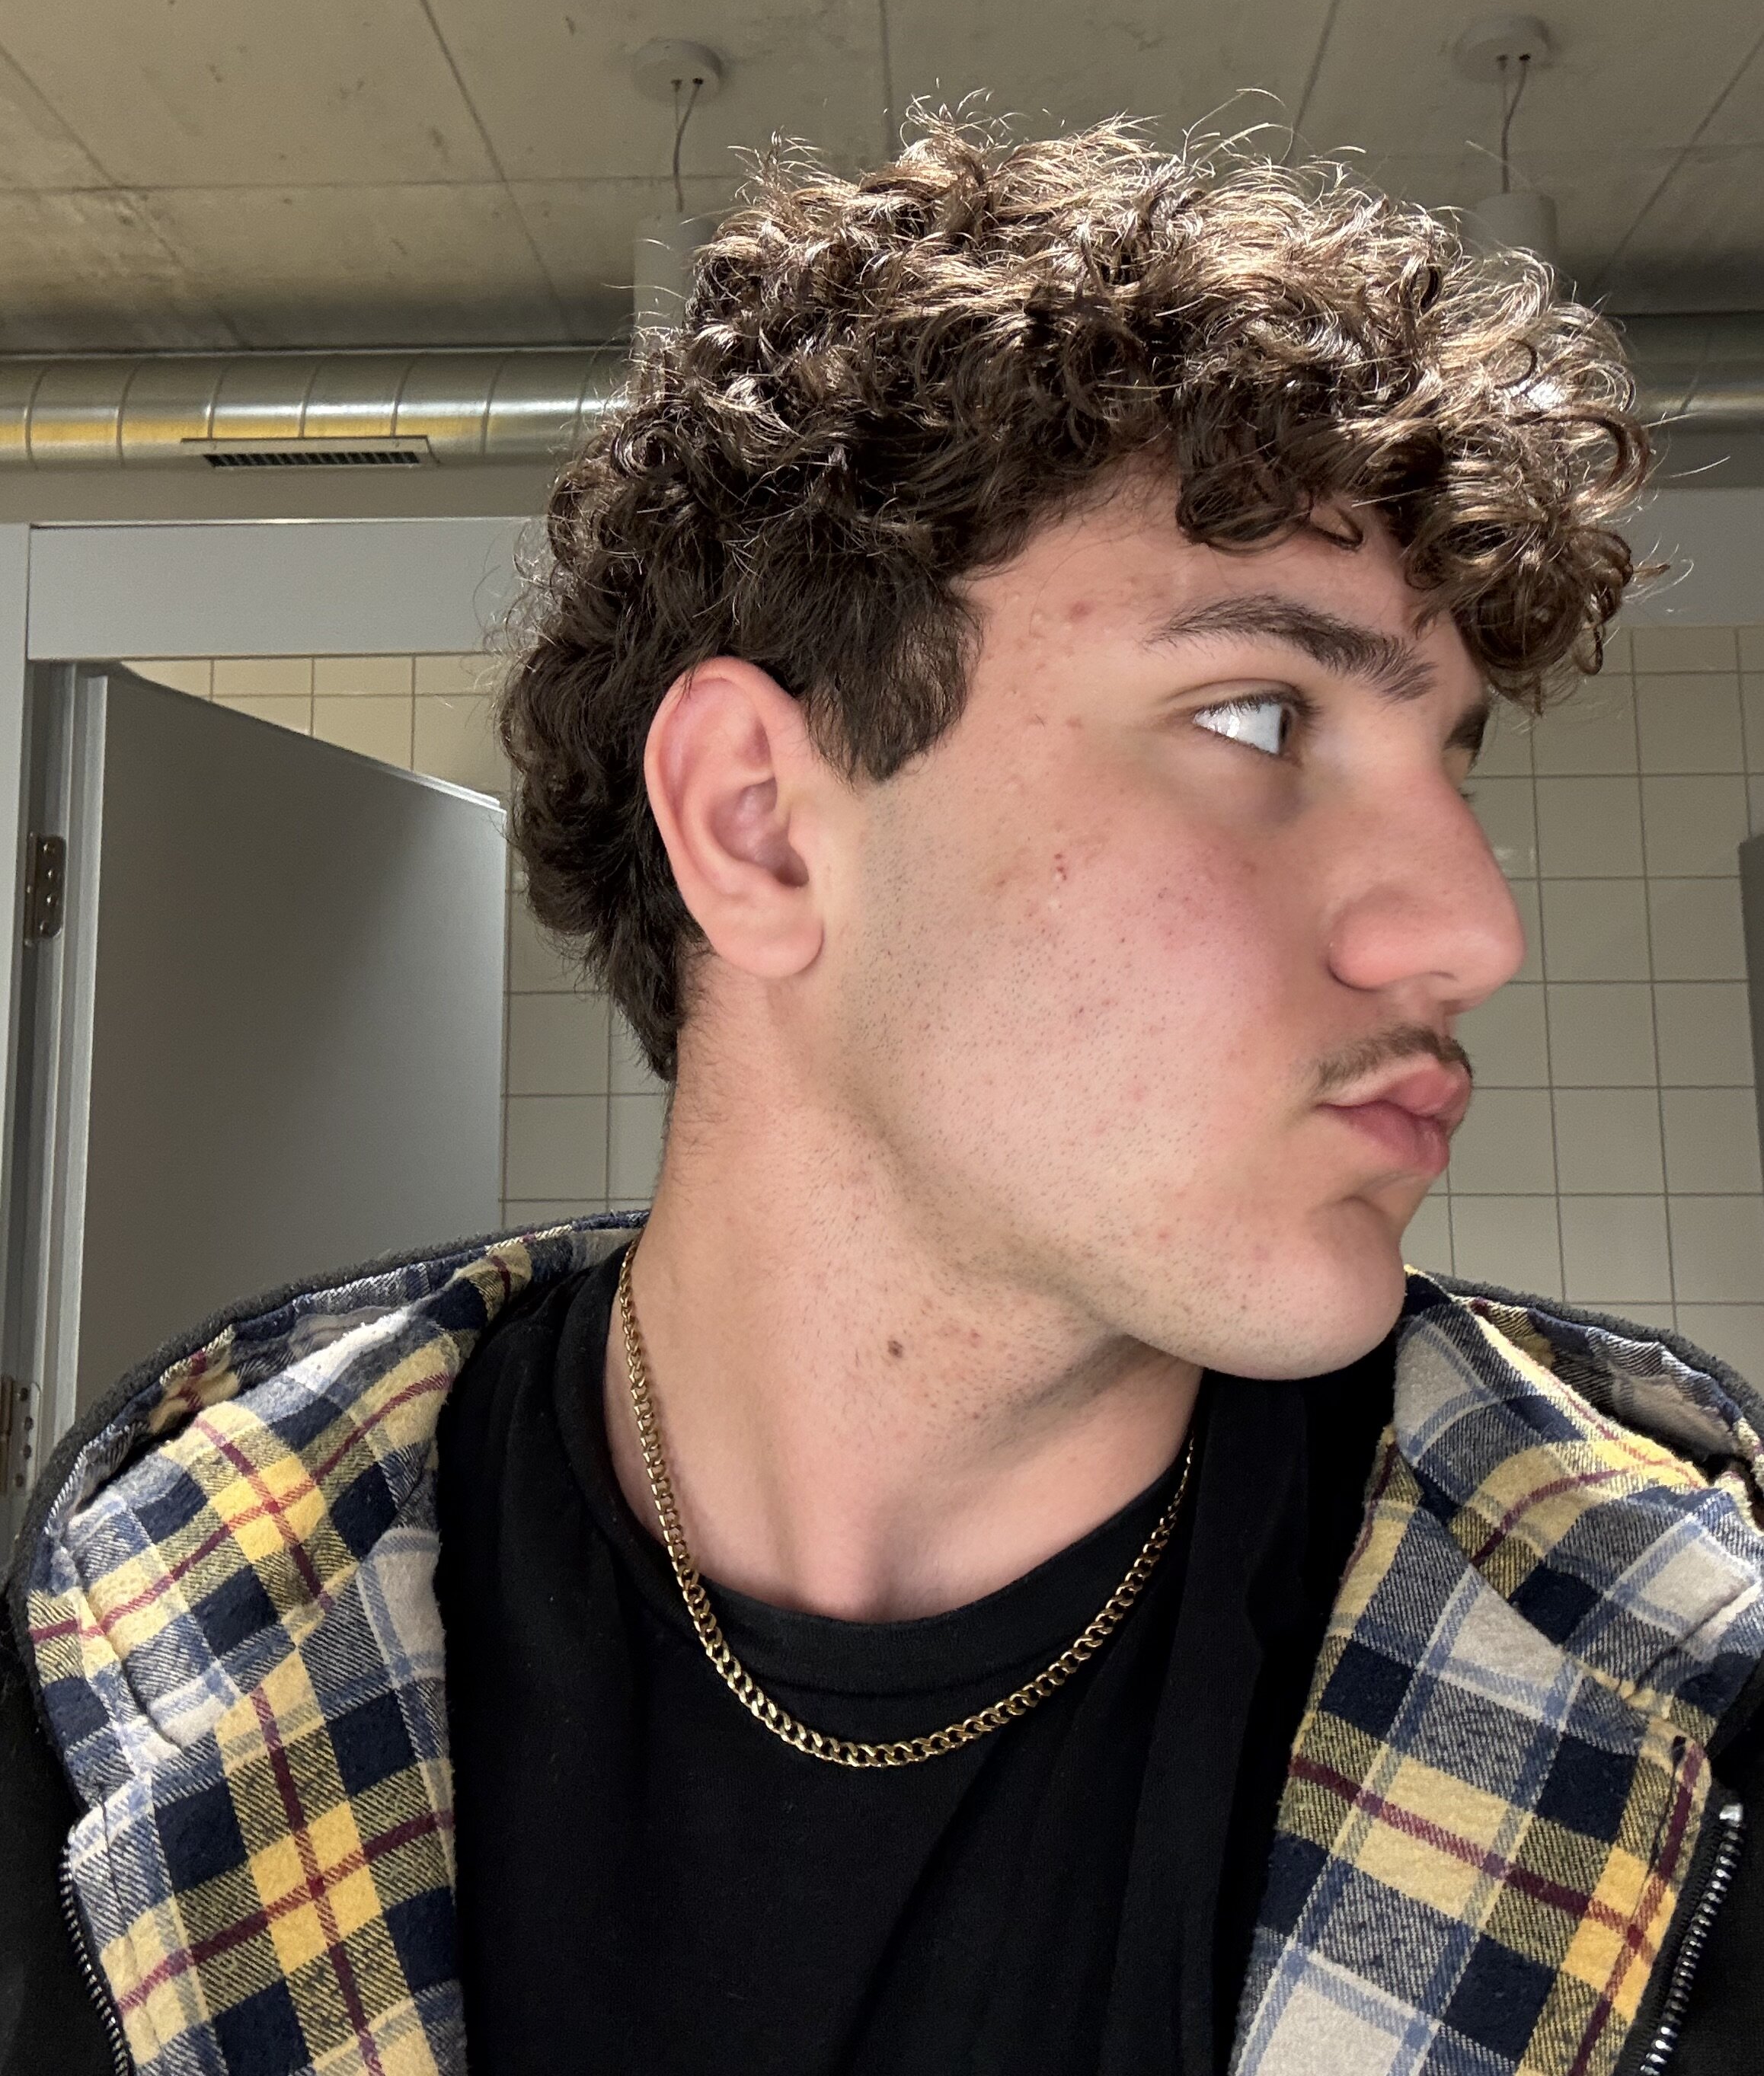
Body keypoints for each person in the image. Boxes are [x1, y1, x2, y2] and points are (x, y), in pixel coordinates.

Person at [4, 120, 1759, 2076]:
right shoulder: (142, 1683)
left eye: (1454, 764)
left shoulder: (1676, 1702)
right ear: (760, 826)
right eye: (1261, 715)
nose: (1472, 925)